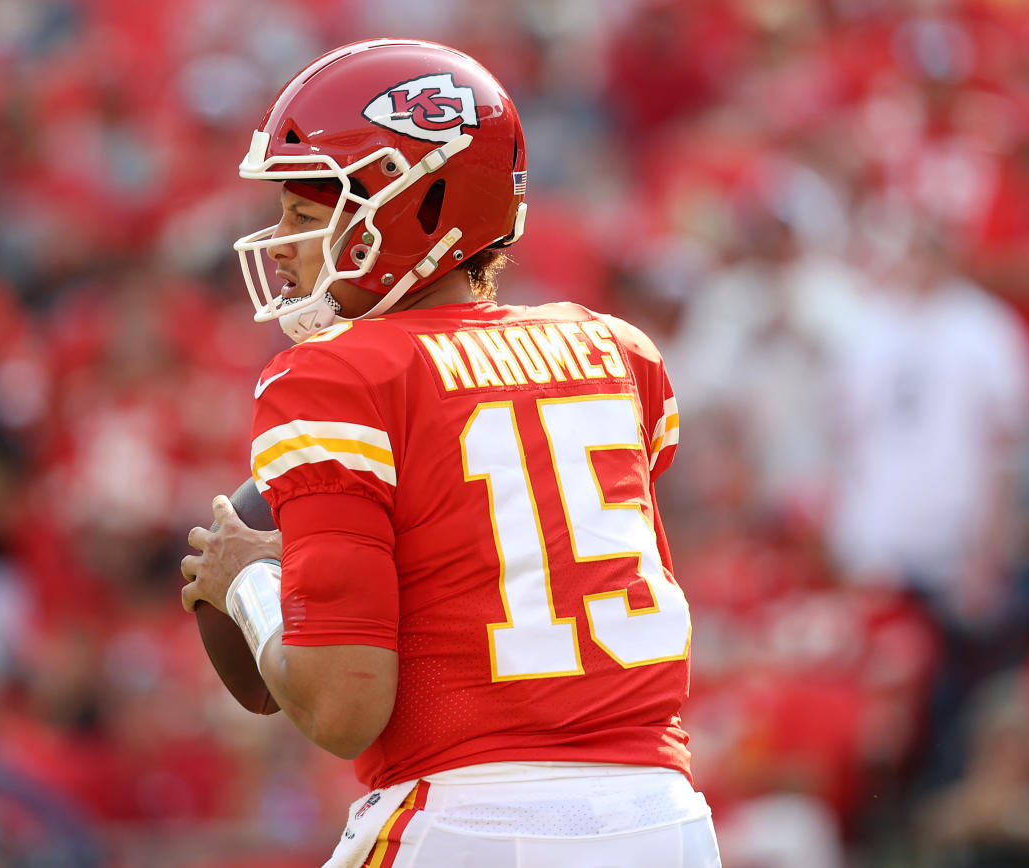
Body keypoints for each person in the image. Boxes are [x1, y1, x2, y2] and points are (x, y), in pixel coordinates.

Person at [178, 38, 721, 868]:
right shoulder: (617, 350)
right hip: (666, 818)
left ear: (415, 207)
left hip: (468, 816)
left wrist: (246, 582)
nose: (279, 243)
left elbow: (341, 708)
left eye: (303, 212)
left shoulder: (336, 373)